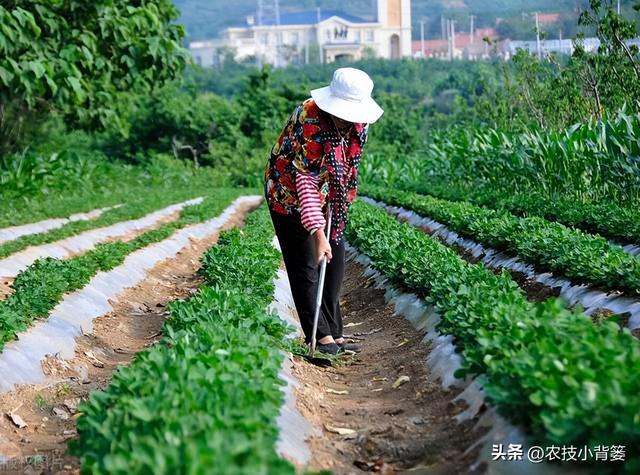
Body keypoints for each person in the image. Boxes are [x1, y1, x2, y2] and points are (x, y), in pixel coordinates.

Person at [264, 67, 384, 355]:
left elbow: (350, 167)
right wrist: (318, 234)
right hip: (288, 193)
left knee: (335, 259)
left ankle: (335, 333)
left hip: (331, 192)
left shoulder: (359, 124)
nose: (348, 119)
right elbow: (305, 183)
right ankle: (318, 337)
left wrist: (336, 205)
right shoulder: (310, 120)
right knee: (305, 263)